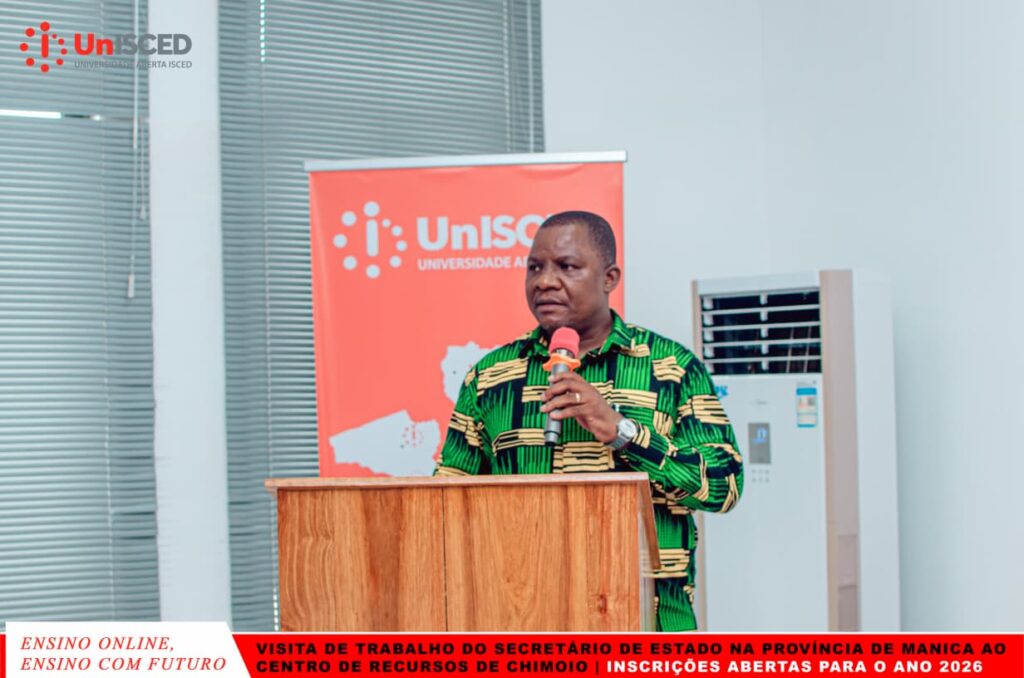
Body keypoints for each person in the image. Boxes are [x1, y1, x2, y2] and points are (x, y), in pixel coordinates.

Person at [434, 210, 743, 632]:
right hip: (521, 620)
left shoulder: (671, 368)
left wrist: (623, 432)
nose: (544, 281)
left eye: (567, 266)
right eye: (534, 268)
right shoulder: (491, 377)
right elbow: (445, 503)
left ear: (609, 278)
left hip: (646, 622)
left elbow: (725, 486)